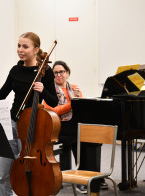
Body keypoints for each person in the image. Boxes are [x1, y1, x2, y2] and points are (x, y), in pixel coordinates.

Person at [0, 32, 58, 196]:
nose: (20, 50)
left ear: (36, 50)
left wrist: (43, 91)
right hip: (12, 125)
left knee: (28, 174)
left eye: (25, 46)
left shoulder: (45, 71)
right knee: (1, 176)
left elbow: (54, 101)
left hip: (32, 128)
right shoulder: (15, 70)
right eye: (19, 46)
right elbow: (2, 93)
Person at [43, 60, 107, 194]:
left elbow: (80, 110)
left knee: (92, 137)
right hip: (57, 127)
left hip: (73, 125)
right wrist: (73, 102)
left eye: (61, 72)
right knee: (79, 139)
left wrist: (79, 99)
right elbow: (53, 111)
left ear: (67, 72)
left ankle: (93, 177)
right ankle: (81, 180)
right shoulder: (49, 91)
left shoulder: (75, 88)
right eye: (55, 73)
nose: (59, 75)